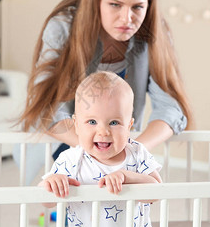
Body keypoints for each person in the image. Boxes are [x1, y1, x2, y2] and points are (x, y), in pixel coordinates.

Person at [14, 0, 192, 185]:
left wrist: (131, 150)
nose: (127, 18)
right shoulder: (63, 26)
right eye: (115, 5)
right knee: (76, 207)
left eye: (137, 7)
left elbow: (170, 108)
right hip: (70, 138)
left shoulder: (154, 32)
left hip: (121, 146)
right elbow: (45, 104)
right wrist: (92, 146)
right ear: (96, 0)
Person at [39, 71, 162, 226]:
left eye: (114, 123)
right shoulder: (70, 160)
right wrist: (51, 182)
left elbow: (157, 191)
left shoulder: (137, 153)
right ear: (76, 125)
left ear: (129, 126)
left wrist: (127, 177)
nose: (103, 132)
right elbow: (45, 201)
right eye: (92, 122)